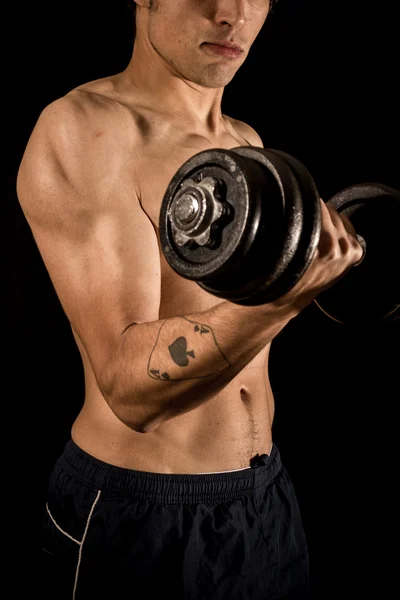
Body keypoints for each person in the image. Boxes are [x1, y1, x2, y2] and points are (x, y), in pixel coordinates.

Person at [17, 1, 363, 598]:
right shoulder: (87, 130)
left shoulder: (243, 142)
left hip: (263, 499)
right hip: (140, 516)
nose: (231, 13)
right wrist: (285, 297)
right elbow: (129, 388)